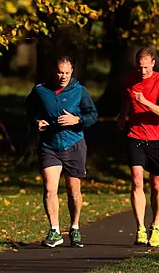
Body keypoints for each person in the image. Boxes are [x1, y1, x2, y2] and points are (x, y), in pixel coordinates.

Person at [26, 55, 98, 248]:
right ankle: (55, 231)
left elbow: (93, 115)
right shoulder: (41, 90)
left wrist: (78, 120)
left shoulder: (79, 91)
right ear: (53, 71)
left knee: (73, 191)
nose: (63, 76)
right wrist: (36, 122)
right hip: (50, 146)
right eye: (60, 72)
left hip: (74, 144)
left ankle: (74, 228)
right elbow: (29, 110)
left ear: (72, 72)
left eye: (66, 73)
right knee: (50, 188)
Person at [117, 47, 159, 248]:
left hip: (158, 138)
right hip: (135, 135)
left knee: (157, 184)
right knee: (136, 181)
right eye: (139, 68)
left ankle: (155, 225)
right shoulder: (129, 80)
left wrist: (146, 102)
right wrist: (122, 116)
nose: (142, 72)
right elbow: (126, 101)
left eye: (146, 68)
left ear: (153, 64)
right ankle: (140, 228)